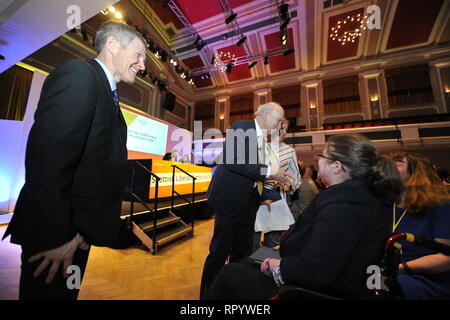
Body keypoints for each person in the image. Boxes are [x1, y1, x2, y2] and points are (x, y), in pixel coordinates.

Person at [2, 21, 147, 300]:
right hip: (55, 240)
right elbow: (48, 165)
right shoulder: (79, 75)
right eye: (138, 55)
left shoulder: (107, 93)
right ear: (113, 44)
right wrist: (60, 238)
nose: (142, 66)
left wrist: (82, 233)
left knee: (69, 294)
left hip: (78, 235)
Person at [204, 133, 402, 299]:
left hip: (316, 291)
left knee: (230, 273)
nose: (317, 159)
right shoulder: (356, 195)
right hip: (334, 278)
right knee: (246, 262)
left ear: (337, 167)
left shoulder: (345, 203)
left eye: (321, 155)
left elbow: (317, 270)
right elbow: (333, 244)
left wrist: (276, 266)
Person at [200, 102, 295, 299]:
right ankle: (208, 295)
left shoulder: (262, 141)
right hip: (230, 200)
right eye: (278, 121)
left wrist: (267, 187)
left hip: (248, 203)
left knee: (242, 253)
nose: (279, 127)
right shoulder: (242, 127)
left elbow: (253, 171)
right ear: (266, 115)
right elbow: (236, 161)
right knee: (219, 251)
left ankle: (231, 290)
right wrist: (271, 171)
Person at [390, 152, 450, 299]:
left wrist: (401, 268)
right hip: (390, 273)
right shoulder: (386, 204)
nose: (387, 168)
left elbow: (445, 258)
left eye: (395, 165)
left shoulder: (440, 206)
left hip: (426, 278)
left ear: (416, 173)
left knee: (388, 290)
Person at [253, 119, 301, 251]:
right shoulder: (259, 147)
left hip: (276, 196)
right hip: (257, 195)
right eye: (281, 129)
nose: (285, 133)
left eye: (286, 130)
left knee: (272, 241)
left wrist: (289, 185)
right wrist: (270, 171)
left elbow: (296, 177)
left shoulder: (289, 151)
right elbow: (253, 170)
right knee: (253, 236)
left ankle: (269, 268)